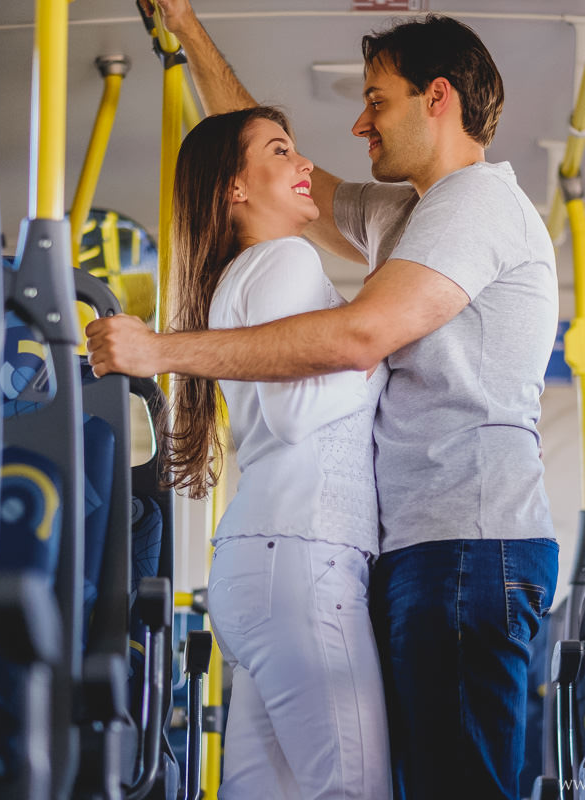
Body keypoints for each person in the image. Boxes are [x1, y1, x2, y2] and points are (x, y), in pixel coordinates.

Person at [88, 4, 559, 797]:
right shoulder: (407, 217)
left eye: (376, 101)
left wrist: (159, 351)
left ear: (437, 97)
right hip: (418, 546)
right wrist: (187, 28)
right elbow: (263, 160)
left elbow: (357, 337)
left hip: (467, 543)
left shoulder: (476, 203)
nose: (358, 124)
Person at [161, 105, 391, 800]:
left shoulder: (241, 276)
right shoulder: (287, 259)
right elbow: (295, 413)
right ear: (235, 187)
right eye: (280, 151)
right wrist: (371, 346)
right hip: (302, 560)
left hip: (262, 567)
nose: (305, 164)